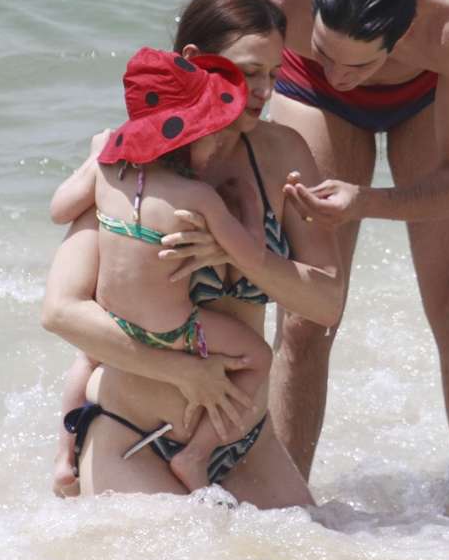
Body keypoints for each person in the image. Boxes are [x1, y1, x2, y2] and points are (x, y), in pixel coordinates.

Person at [233, 0, 449, 481]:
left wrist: (366, 201)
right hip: (302, 88)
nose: (341, 77)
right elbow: (185, 111)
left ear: (403, 33)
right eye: (327, 52)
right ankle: (287, 504)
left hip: (428, 85)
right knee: (306, 316)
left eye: (356, 67)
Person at [41, 0, 342, 506]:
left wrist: (239, 254)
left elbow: (326, 302)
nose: (264, 91)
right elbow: (61, 310)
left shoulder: (282, 156)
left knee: (321, 557)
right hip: (133, 432)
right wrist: (183, 372)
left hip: (243, 442)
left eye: (274, 74)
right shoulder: (130, 159)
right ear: (195, 59)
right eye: (249, 72)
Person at [47, 47, 279, 492]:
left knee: (85, 358)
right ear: (187, 138)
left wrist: (94, 159)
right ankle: (197, 455)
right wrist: (250, 207)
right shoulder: (198, 199)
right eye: (211, 135)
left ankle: (63, 456)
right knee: (259, 358)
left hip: (114, 322)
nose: (217, 145)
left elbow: (59, 210)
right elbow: (251, 257)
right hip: (176, 331)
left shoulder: (107, 175)